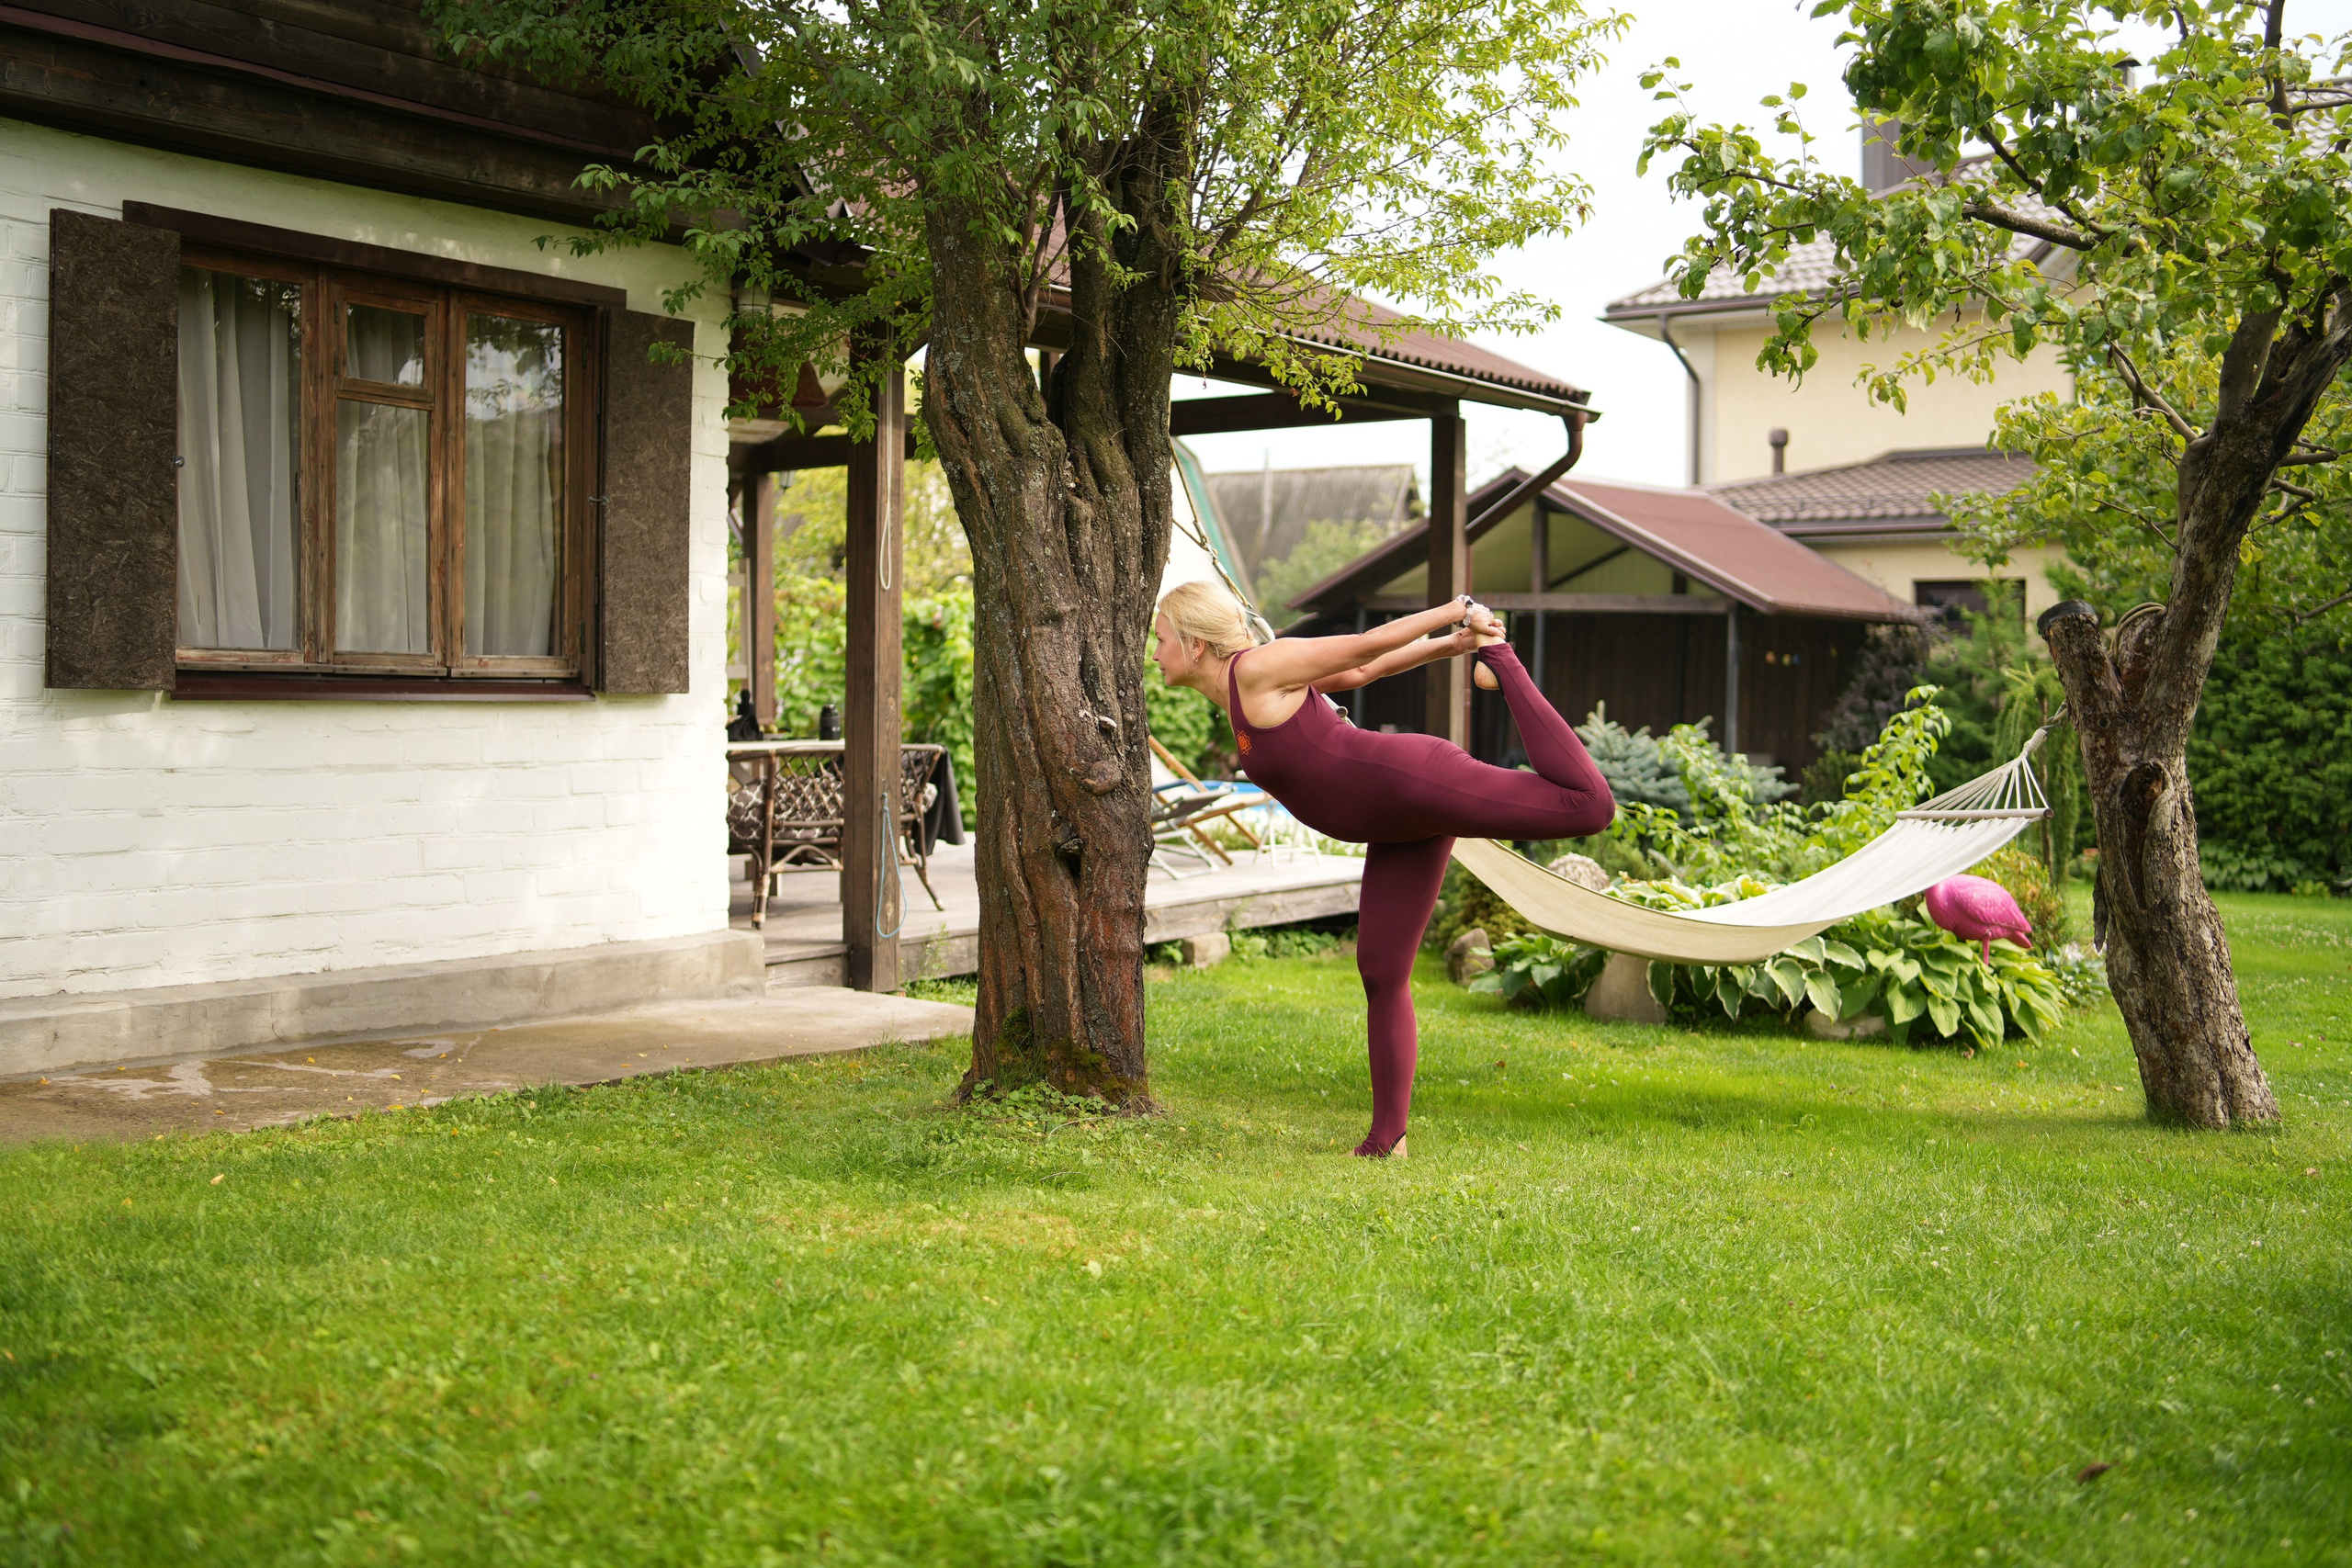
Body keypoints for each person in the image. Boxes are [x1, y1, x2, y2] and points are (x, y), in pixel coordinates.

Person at [1152, 580, 1615, 1158]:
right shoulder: (1243, 690)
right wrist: (1446, 647)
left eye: (1161, 637)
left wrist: (1459, 614)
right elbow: (1357, 677)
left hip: (1415, 782)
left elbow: (1363, 647)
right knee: (1381, 969)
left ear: (1196, 645)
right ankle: (1386, 1138)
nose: (1154, 651)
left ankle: (1503, 659)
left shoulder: (1257, 667)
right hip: (1395, 825)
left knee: (1588, 805)